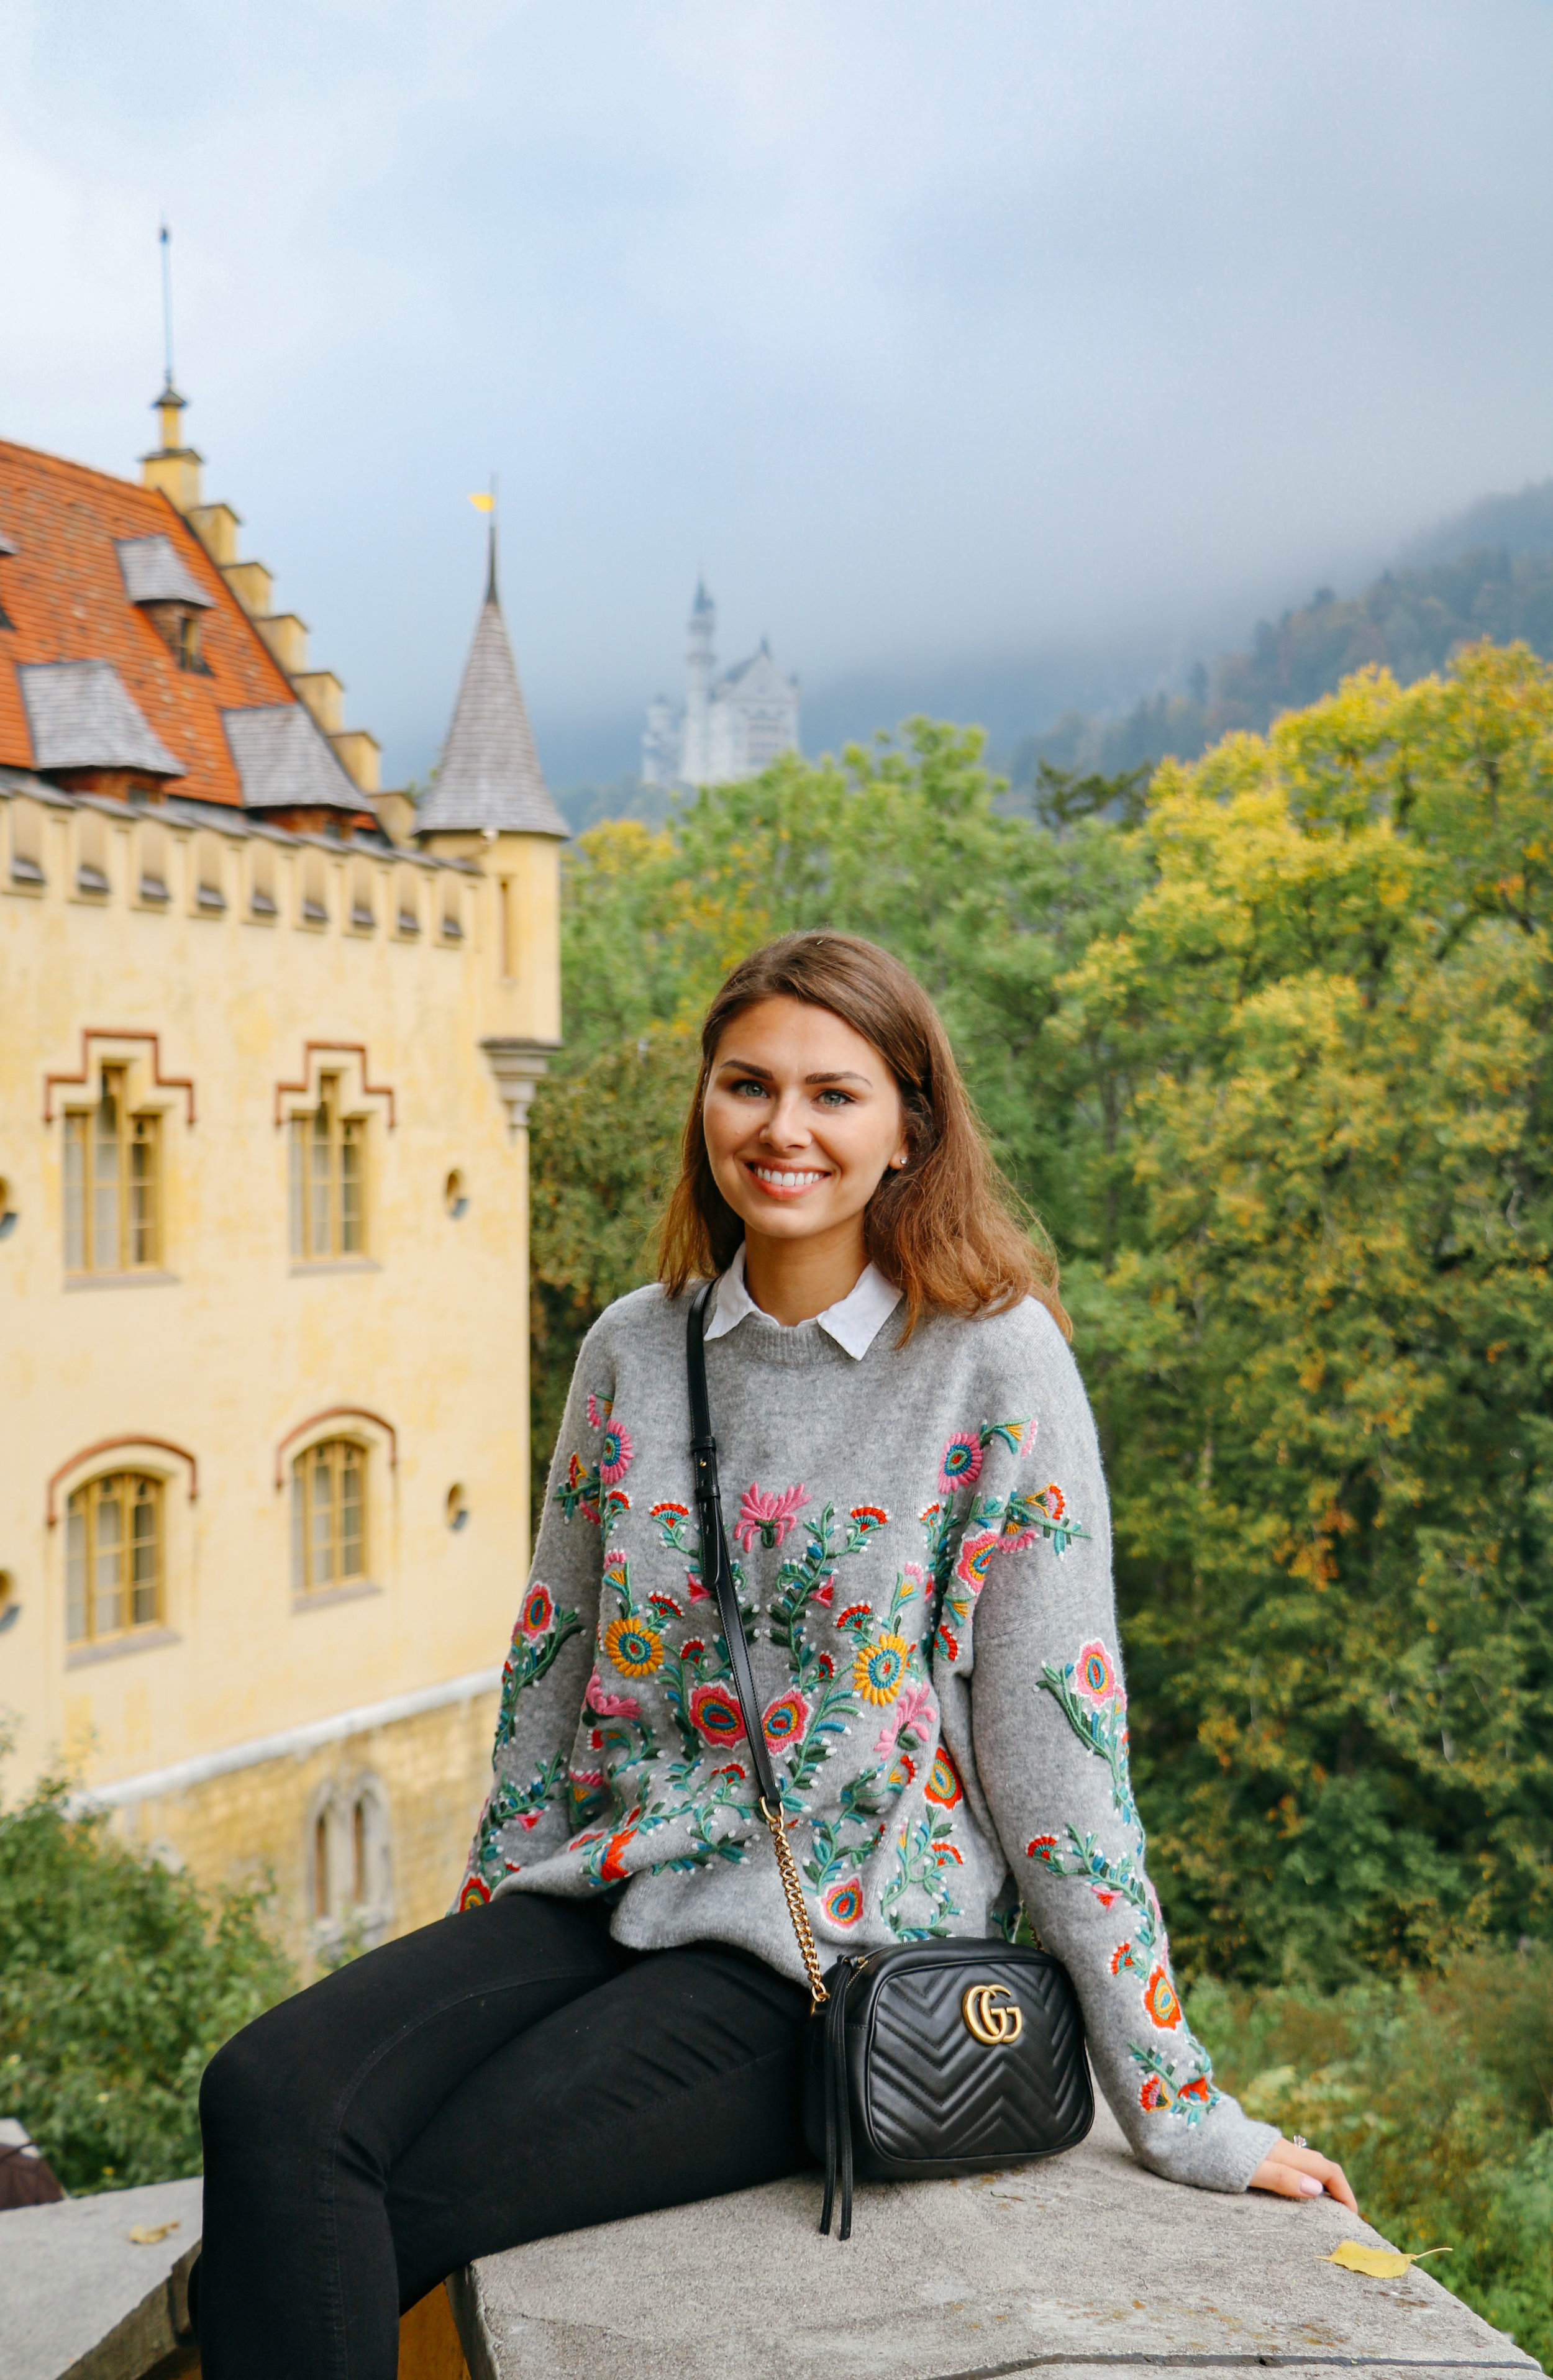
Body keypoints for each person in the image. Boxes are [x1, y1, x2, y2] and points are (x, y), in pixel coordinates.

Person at [193, 930, 1354, 2377]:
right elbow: (549, 1672)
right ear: (705, 1105)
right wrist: (469, 1948)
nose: (782, 1128)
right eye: (746, 1084)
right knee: (268, 2093)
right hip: (611, 1882)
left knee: (383, 2188)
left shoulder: (993, 1361)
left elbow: (1056, 1744)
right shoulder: (634, 1344)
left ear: (907, 1128)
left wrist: (1176, 2103)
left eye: (833, 1093)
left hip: (830, 1944)